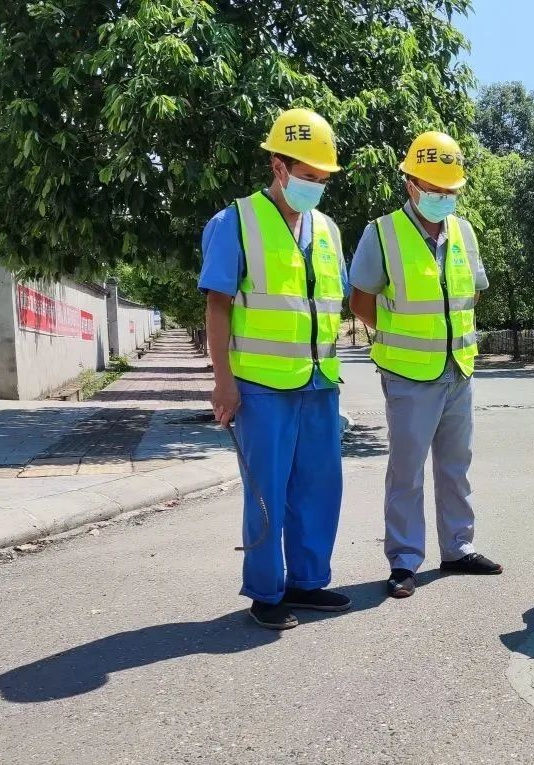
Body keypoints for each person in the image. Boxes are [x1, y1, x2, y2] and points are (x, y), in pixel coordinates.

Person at [199, 108, 351, 629]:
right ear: (278, 166)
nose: (317, 186)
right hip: (260, 387)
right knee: (267, 490)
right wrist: (223, 382)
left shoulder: (327, 230)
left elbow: (330, 305)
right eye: (308, 176)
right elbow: (218, 305)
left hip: (319, 383)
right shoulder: (235, 222)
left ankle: (309, 582)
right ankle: (267, 593)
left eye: (322, 178)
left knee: (319, 486)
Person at [349, 131, 502, 599]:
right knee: (407, 469)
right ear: (411, 182)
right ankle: (403, 560)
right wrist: (403, 337)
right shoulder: (381, 232)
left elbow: (472, 292)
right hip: (408, 373)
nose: (444, 197)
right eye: (435, 188)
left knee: (457, 465)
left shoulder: (463, 231)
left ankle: (458, 548)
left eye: (451, 190)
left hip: (459, 368)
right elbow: (360, 300)